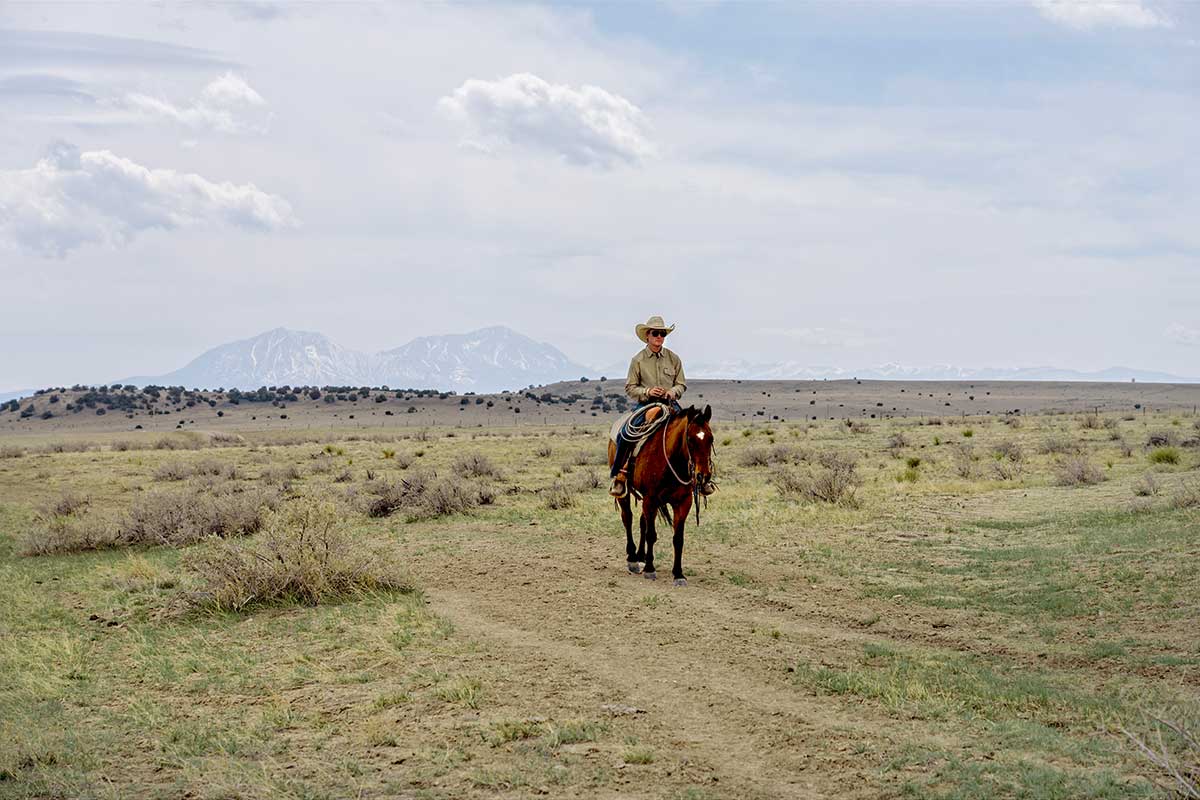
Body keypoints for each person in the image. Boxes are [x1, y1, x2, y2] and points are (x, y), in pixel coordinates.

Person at [609, 315, 689, 498]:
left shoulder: (674, 358)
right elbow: (630, 387)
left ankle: (698, 479)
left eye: (662, 334)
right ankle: (619, 476)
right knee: (625, 434)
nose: (659, 337)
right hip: (646, 405)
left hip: (670, 403)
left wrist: (672, 392)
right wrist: (648, 391)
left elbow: (681, 384)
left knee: (692, 433)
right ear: (647, 336)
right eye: (655, 333)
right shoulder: (638, 360)